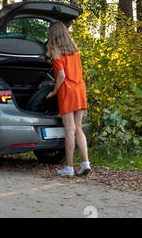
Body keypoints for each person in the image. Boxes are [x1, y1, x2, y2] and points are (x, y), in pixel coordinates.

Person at [45, 20, 91, 176]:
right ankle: (86, 163)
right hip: (80, 89)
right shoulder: (74, 49)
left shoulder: (55, 50)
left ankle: (69, 168)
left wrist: (54, 92)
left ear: (53, 34)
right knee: (78, 128)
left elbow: (61, 76)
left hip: (67, 91)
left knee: (69, 130)